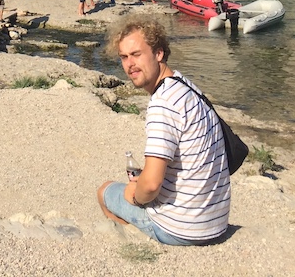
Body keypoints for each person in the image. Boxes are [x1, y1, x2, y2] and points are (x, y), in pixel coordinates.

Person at [97, 19, 231, 246]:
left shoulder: (163, 103)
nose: (130, 64)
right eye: (124, 57)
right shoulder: (184, 85)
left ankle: (133, 240)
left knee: (105, 191)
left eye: (136, 54)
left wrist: (135, 197)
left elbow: (150, 186)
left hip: (183, 228)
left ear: (159, 53)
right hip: (215, 222)